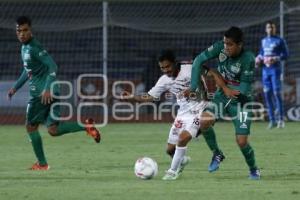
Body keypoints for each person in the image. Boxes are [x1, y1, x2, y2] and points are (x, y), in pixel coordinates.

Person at [121, 49, 238, 180]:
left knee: (183, 138)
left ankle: (173, 171)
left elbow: (213, 73)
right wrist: (132, 97)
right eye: (162, 68)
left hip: (201, 109)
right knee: (170, 150)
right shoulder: (164, 80)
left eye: (168, 66)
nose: (166, 70)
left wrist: (224, 87)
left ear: (175, 63)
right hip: (183, 115)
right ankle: (181, 161)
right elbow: (149, 96)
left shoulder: (191, 68)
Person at [7, 16, 101, 170]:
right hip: (54, 93)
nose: (22, 34)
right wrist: (15, 87)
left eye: (25, 30)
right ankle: (86, 126)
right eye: (19, 31)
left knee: (30, 128)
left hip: (41, 95)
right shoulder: (24, 48)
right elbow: (28, 70)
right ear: (16, 32)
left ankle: (42, 164)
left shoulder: (34, 48)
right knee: (53, 130)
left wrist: (46, 88)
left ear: (31, 30)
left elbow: (53, 67)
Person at [189, 26, 260, 180]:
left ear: (239, 45)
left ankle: (254, 169)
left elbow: (242, 88)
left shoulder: (248, 58)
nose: (226, 47)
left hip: (241, 101)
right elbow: (198, 60)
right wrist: (193, 87)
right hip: (223, 95)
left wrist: (225, 86)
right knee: (204, 121)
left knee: (241, 141)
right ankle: (217, 153)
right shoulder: (220, 48)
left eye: (230, 44)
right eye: (225, 43)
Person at [255, 21, 289, 129]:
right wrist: (258, 58)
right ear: (266, 29)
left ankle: (280, 120)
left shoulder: (280, 40)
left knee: (276, 93)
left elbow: (286, 55)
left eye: (272, 27)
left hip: (275, 70)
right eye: (268, 27)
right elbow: (261, 52)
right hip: (265, 71)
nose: (270, 29)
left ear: (275, 29)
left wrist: (275, 58)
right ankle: (272, 120)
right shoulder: (264, 41)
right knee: (267, 95)